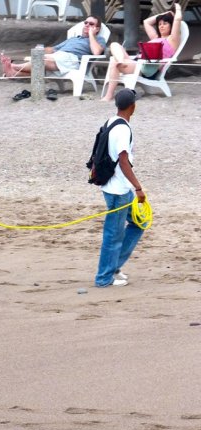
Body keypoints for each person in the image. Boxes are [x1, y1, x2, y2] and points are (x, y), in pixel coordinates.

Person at [95, 89, 146, 288]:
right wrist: (138, 188)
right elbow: (124, 162)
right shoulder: (122, 129)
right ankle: (104, 278)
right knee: (112, 235)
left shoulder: (111, 121)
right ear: (132, 107)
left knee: (139, 223)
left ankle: (114, 266)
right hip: (118, 190)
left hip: (115, 187)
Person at [100, 3, 183, 101]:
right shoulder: (155, 38)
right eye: (160, 24)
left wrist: (176, 9)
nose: (161, 26)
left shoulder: (172, 40)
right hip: (137, 62)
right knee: (114, 44)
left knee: (114, 61)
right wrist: (164, 14)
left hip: (148, 69)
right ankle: (121, 60)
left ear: (171, 25)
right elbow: (146, 22)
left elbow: (177, 19)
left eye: (165, 23)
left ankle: (109, 95)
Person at [1, 16, 107, 78]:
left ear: (97, 29)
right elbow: (53, 49)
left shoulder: (98, 39)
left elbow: (97, 52)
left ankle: (14, 67)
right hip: (59, 57)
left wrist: (91, 35)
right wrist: (39, 49)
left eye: (91, 24)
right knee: (40, 60)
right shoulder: (73, 39)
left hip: (73, 60)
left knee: (40, 59)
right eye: (86, 22)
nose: (87, 25)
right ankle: (13, 73)